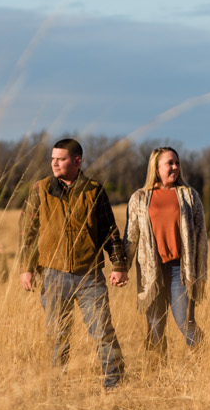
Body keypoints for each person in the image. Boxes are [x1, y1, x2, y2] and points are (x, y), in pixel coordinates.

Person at [17, 138, 131, 389]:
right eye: (52, 159)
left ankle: (115, 384)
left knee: (102, 332)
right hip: (53, 274)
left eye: (60, 159)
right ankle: (58, 385)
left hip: (89, 275)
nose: (54, 163)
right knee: (58, 335)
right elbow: (28, 231)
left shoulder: (94, 190)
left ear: (77, 161)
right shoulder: (41, 189)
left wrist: (119, 266)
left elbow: (110, 231)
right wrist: (27, 268)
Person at [123, 146, 206, 354]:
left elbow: (201, 236)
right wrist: (121, 267)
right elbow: (130, 236)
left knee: (185, 322)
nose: (175, 167)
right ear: (156, 167)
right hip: (151, 271)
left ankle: (207, 363)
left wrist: (200, 272)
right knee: (154, 326)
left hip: (181, 270)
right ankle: (155, 373)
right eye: (170, 163)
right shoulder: (139, 198)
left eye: (177, 163)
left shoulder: (189, 196)